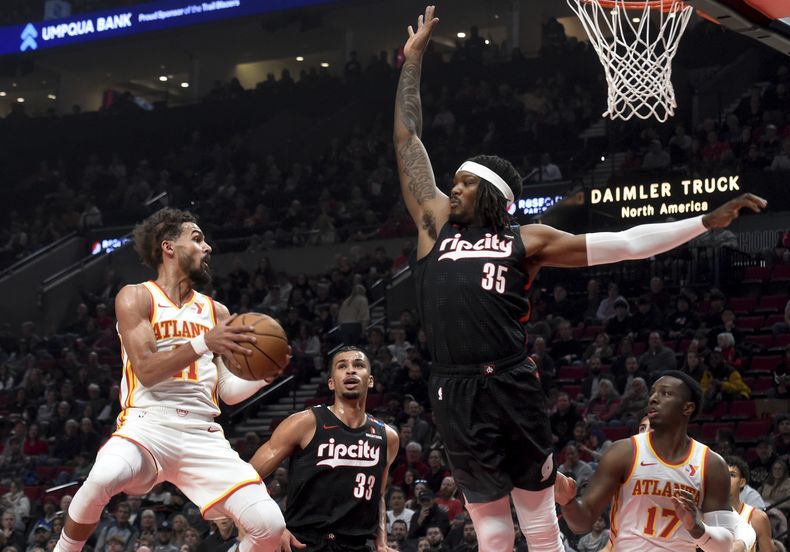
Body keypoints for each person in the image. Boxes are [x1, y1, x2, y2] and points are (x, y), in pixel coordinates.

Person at [394, 6, 766, 551]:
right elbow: (407, 141)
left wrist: (703, 222)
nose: (451, 191)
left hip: (513, 382)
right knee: (492, 529)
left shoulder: (531, 240)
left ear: (492, 195)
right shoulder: (435, 226)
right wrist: (414, 59)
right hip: (455, 384)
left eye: (464, 185)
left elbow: (628, 243)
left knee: (539, 518)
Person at [53, 208, 286, 552]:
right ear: (168, 247)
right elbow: (146, 370)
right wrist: (205, 341)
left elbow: (226, 392)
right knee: (103, 476)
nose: (208, 248)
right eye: (197, 238)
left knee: (269, 527)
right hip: (147, 426)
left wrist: (265, 376)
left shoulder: (217, 312)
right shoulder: (137, 296)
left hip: (202, 434)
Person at [557, 372, 756, 552]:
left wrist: (697, 528)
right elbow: (582, 522)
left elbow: (724, 547)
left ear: (687, 407)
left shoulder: (711, 464)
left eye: (665, 394)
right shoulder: (623, 452)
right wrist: (568, 502)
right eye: (652, 393)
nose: (653, 398)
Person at [249, 346, 399, 552]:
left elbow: (378, 496)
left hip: (356, 545)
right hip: (302, 542)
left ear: (370, 380)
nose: (350, 370)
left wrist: (381, 542)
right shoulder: (305, 423)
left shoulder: (387, 437)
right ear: (331, 383)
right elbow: (248, 476)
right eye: (342, 366)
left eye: (358, 365)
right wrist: (274, 526)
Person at [724, 456, 773, 552]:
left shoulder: (757, 517)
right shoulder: (704, 513)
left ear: (742, 482)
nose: (725, 478)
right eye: (722, 474)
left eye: (732, 475)